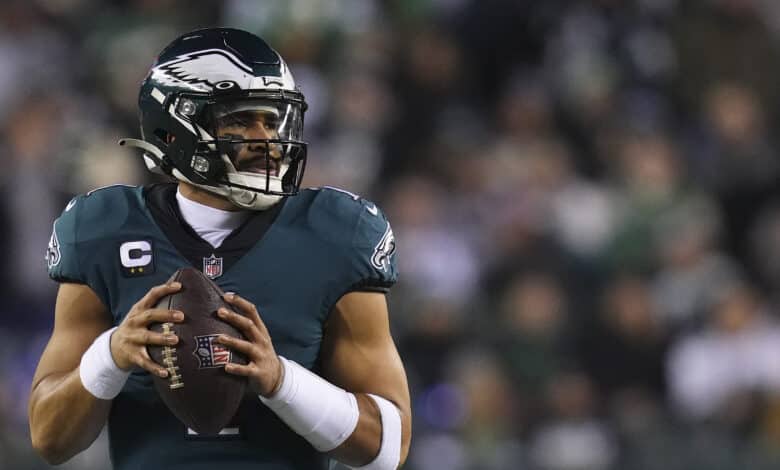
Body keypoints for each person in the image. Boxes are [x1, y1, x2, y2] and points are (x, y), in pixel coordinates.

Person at [28, 28, 411, 470]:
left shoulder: (334, 233)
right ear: (173, 131)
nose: (264, 139)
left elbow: (388, 448)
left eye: (271, 121)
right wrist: (110, 356)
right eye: (240, 120)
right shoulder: (104, 230)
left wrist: (281, 381)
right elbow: (49, 438)